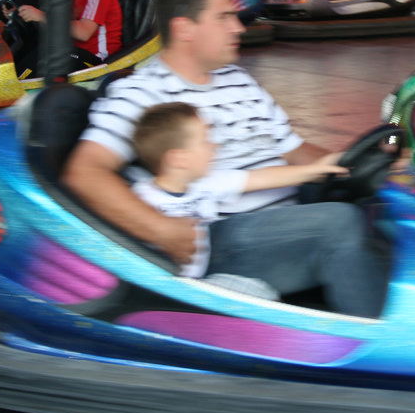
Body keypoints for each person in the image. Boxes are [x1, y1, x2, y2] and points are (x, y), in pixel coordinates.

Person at [61, 0, 389, 318]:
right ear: (184, 29)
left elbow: (295, 151)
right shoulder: (140, 93)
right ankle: (382, 344)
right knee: (340, 224)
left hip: (291, 219)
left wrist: (361, 166)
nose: (238, 28)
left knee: (391, 214)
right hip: (221, 238)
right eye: (224, 18)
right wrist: (161, 230)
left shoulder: (238, 79)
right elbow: (85, 173)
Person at [131, 101, 345, 284]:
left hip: (203, 283)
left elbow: (262, 178)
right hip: (166, 291)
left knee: (263, 293)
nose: (214, 145)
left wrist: (316, 169)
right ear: (179, 158)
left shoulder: (205, 184)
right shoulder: (142, 199)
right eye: (205, 141)